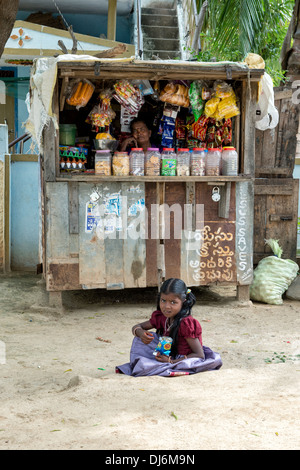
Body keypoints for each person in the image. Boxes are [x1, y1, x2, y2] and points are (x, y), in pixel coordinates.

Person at [116, 278, 222, 377]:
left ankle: (165, 366)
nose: (167, 306)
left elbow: (199, 355)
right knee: (139, 339)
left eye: (173, 302)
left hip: (185, 359)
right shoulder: (162, 317)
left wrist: (171, 361)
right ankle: (161, 364)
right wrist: (140, 333)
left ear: (183, 301)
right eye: (163, 300)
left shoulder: (185, 323)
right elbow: (137, 327)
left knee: (145, 367)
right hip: (167, 354)